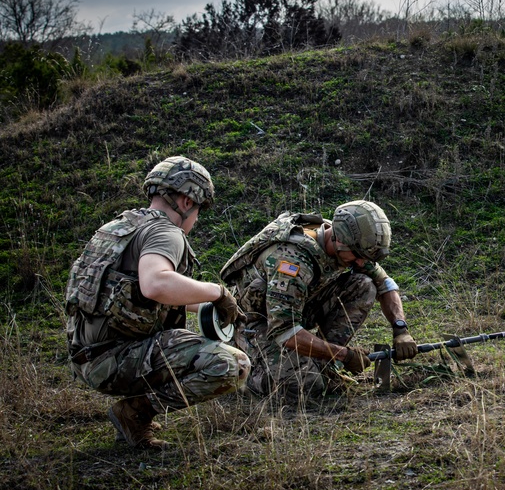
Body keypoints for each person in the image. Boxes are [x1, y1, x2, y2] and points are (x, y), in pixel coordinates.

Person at [65, 156, 251, 450]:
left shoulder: (120, 228)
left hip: (86, 360)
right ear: (187, 201)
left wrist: (206, 307)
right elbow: (156, 284)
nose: (197, 219)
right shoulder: (166, 232)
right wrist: (217, 292)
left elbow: (135, 293)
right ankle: (134, 413)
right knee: (231, 365)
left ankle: (133, 411)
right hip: (115, 362)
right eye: (199, 210)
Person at [219, 200, 417, 402]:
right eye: (358, 256)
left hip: (296, 309)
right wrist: (344, 355)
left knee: (364, 285)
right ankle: (240, 370)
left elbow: (384, 284)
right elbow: (285, 332)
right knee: (303, 385)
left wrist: (400, 329)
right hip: (257, 323)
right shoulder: (292, 260)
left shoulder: (347, 242)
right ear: (338, 241)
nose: (361, 262)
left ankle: (323, 366)